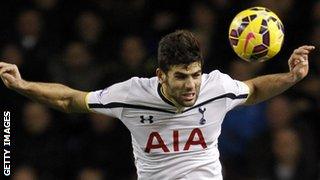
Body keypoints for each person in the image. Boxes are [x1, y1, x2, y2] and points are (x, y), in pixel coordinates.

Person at [0, 30, 315, 180]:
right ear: (161, 75)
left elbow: (254, 88)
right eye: (181, 77)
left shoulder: (215, 86)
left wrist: (291, 77)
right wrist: (24, 85)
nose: (191, 85)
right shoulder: (132, 95)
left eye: (195, 74)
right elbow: (70, 99)